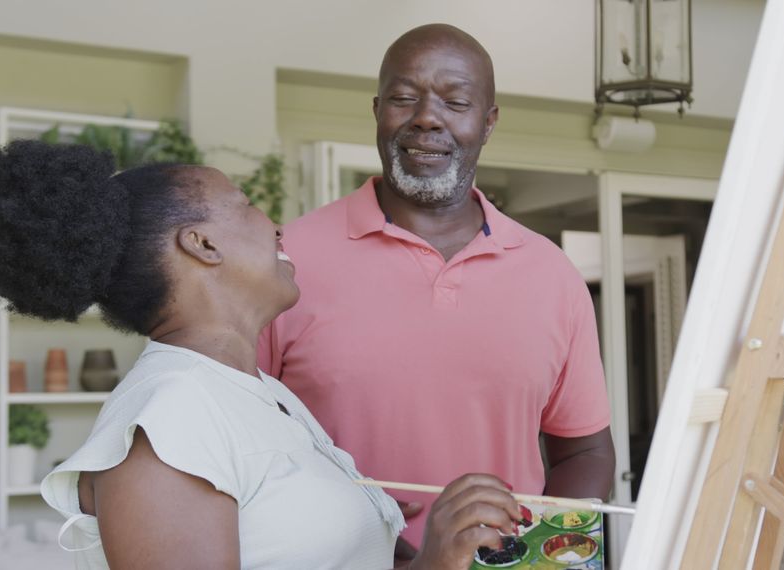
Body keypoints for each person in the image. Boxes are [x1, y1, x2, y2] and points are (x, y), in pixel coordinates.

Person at [0, 140, 524, 569]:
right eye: (246, 204)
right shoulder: (169, 422)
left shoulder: (258, 394)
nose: (275, 224)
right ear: (202, 244)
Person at [258, 23, 616, 551]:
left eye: (455, 102)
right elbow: (239, 439)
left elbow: (584, 452)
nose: (427, 118)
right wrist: (359, 526)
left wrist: (540, 549)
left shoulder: (552, 274)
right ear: (378, 111)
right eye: (405, 98)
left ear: (488, 122)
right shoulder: (286, 260)